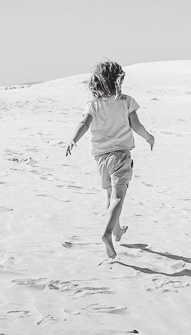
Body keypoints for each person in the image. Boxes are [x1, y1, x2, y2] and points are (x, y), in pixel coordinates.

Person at [66, 60, 154, 259]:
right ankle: (106, 234)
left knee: (109, 196)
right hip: (121, 156)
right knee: (119, 197)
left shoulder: (93, 104)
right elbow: (137, 126)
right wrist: (149, 137)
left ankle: (116, 231)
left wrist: (73, 139)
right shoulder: (126, 101)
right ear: (118, 79)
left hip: (100, 159)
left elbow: (84, 123)